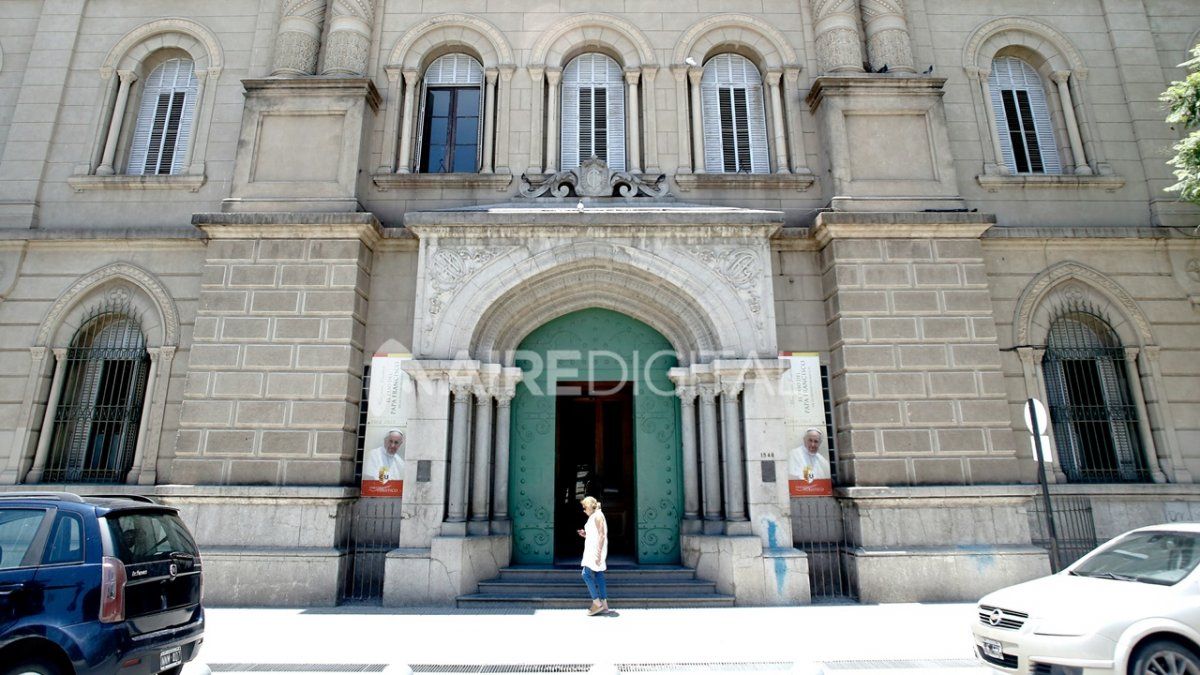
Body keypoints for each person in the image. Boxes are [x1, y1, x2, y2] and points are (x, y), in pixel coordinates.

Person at [576, 496, 609, 615]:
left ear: (589, 506)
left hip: (594, 551)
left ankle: (597, 603)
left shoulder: (598, 515)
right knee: (599, 574)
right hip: (593, 549)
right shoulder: (595, 516)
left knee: (585, 574)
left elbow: (601, 535)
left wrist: (599, 553)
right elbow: (595, 534)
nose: (584, 510)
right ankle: (604, 605)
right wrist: (585, 534)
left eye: (584, 507)